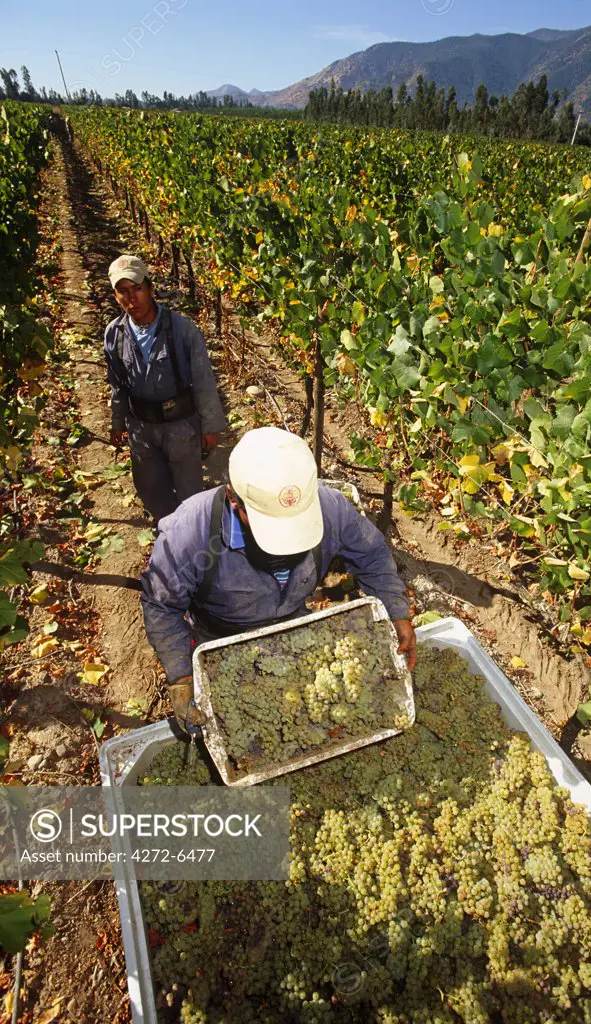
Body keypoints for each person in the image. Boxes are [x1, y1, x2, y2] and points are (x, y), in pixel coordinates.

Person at [140, 427, 416, 733]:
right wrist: (180, 675)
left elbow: (373, 555)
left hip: (294, 626)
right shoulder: (189, 532)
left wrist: (396, 610)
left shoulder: (331, 508)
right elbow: (160, 605)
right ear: (234, 498)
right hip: (219, 638)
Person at [103, 254, 227, 522]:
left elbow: (203, 379)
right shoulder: (114, 334)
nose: (131, 298)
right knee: (151, 489)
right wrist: (117, 422)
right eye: (123, 291)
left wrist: (211, 426)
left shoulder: (183, 330)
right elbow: (117, 383)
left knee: (189, 494)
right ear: (115, 296)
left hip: (180, 427)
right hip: (141, 428)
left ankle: (192, 544)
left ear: (151, 289)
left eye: (137, 289)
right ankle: (167, 539)